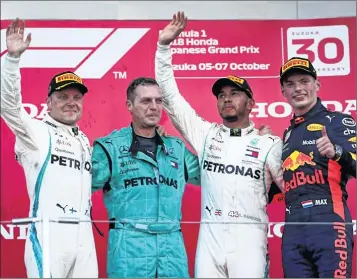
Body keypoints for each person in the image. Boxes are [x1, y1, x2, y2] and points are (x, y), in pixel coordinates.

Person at [155, 12, 285, 278]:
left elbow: (293, 190)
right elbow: (170, 97)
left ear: (250, 104)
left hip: (250, 241)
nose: (227, 99)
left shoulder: (270, 143)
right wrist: (163, 47)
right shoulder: (206, 134)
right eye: (222, 95)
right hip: (210, 241)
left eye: (235, 94)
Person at [0, 18, 98, 278]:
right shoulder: (35, 131)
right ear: (48, 102)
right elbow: (9, 106)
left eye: (77, 97)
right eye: (62, 97)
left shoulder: (83, 139)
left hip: (84, 239)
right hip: (49, 236)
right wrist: (11, 60)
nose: (71, 103)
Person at [91, 77, 201, 278]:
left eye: (159, 101)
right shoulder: (110, 147)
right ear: (129, 106)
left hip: (172, 251)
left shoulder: (176, 148)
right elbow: (76, 186)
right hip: (129, 249)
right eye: (146, 101)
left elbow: (215, 175)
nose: (154, 107)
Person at [280, 57, 356, 278]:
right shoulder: (287, 133)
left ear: (317, 85)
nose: (298, 88)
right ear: (283, 91)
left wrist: (337, 153)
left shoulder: (338, 121)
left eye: (304, 81)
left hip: (329, 222)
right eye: (291, 84)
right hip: (293, 227)